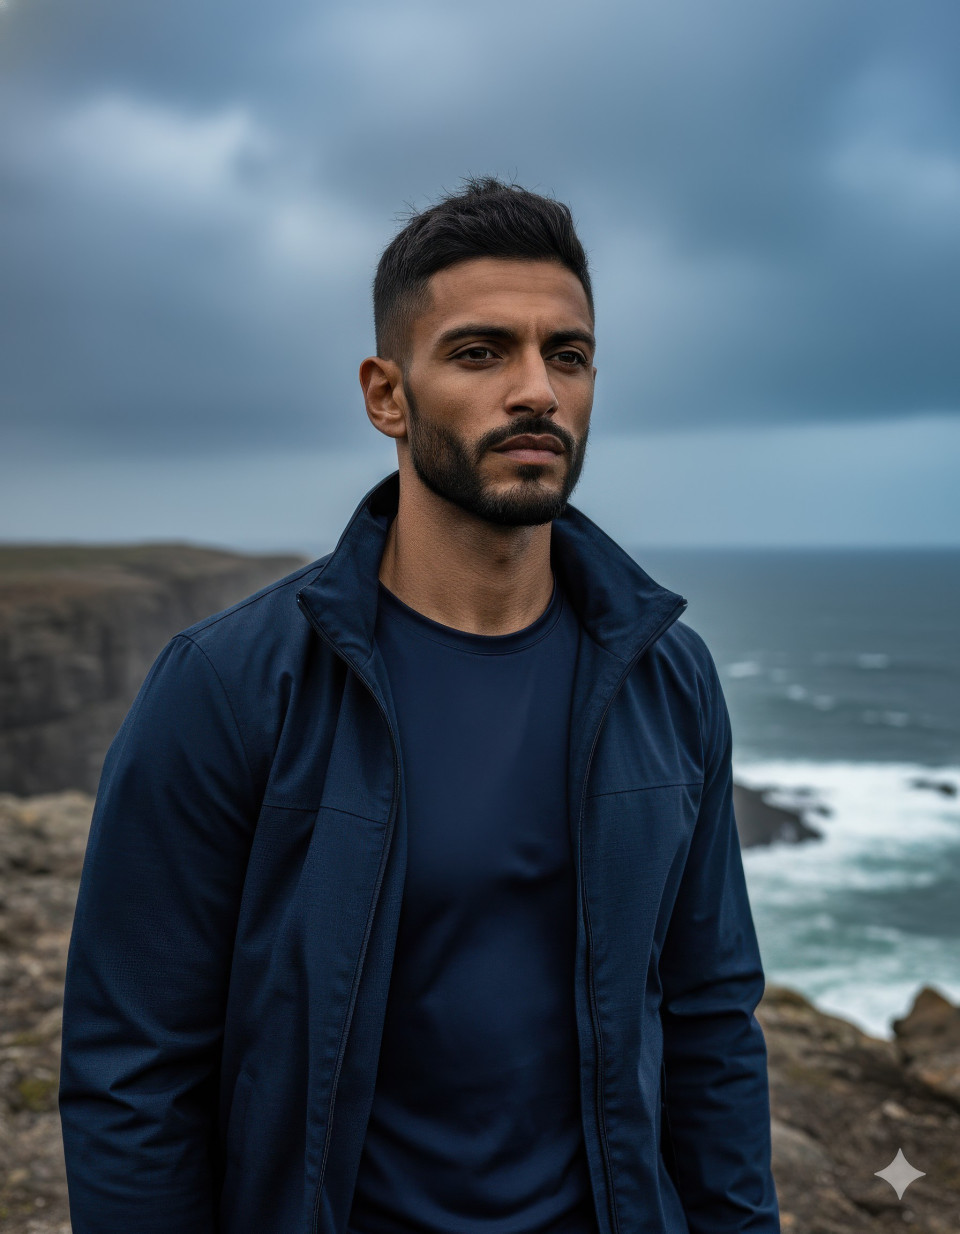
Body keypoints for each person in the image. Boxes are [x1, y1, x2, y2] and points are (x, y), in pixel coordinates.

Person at [59, 175, 781, 1234]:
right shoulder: (229, 686)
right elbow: (133, 1068)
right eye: (481, 352)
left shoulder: (669, 679)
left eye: (567, 355)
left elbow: (714, 1023)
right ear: (386, 394)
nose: (536, 390)